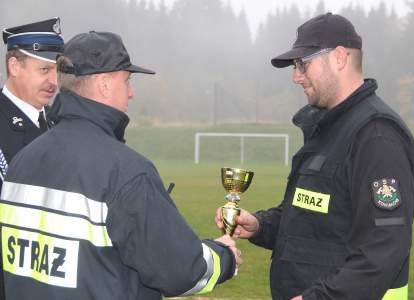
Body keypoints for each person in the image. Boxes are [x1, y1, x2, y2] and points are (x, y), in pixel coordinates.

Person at [0, 31, 241, 299]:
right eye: (126, 81)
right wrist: (224, 257)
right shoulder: (126, 172)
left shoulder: (23, 159)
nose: (131, 93)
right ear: (104, 84)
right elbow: (181, 272)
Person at [215, 12, 414, 300]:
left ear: (339, 58)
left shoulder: (376, 135)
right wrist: (261, 226)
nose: (296, 76)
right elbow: (312, 214)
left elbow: (385, 245)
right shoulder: (328, 128)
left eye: (303, 64)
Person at [0, 18, 63, 188]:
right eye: (45, 70)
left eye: (57, 71)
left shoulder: (59, 121)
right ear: (14, 67)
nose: (54, 82)